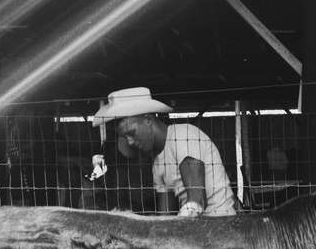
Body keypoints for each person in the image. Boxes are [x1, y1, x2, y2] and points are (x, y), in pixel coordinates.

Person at [91, 87, 238, 216]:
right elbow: (165, 215)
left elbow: (197, 202)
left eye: (132, 133)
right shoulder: (158, 163)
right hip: (196, 228)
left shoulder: (183, 135)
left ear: (148, 119)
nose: (130, 142)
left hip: (219, 226)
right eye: (125, 137)